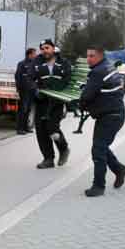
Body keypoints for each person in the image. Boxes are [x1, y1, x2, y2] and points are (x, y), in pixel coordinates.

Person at [80, 45, 125, 197]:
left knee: (98, 149)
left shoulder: (98, 72)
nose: (88, 59)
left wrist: (80, 104)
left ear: (100, 56)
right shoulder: (108, 67)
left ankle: (98, 186)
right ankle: (119, 169)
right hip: (114, 114)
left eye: (92, 56)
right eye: (87, 55)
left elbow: (87, 95)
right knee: (101, 147)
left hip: (110, 116)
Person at [32, 39, 71, 169]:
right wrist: (35, 90)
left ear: (53, 49)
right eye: (42, 48)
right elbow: (29, 79)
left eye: (47, 48)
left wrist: (58, 91)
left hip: (56, 102)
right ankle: (48, 159)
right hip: (42, 101)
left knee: (52, 128)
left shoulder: (63, 63)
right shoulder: (37, 62)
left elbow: (67, 80)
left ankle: (64, 149)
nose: (44, 51)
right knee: (41, 131)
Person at [14, 47, 37, 135]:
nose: (35, 55)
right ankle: (20, 129)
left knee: (28, 109)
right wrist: (19, 88)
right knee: (23, 109)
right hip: (24, 90)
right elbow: (17, 76)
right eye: (34, 54)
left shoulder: (34, 64)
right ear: (29, 54)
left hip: (31, 90)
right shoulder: (22, 64)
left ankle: (26, 127)